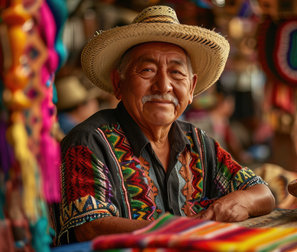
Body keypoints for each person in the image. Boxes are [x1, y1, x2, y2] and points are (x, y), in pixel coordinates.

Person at [56, 5, 275, 245]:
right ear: (118, 83)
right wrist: (186, 229)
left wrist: (237, 202)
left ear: (191, 89)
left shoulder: (198, 143)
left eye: (176, 72)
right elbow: (89, 228)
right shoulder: (89, 142)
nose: (164, 85)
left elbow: (263, 193)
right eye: (147, 70)